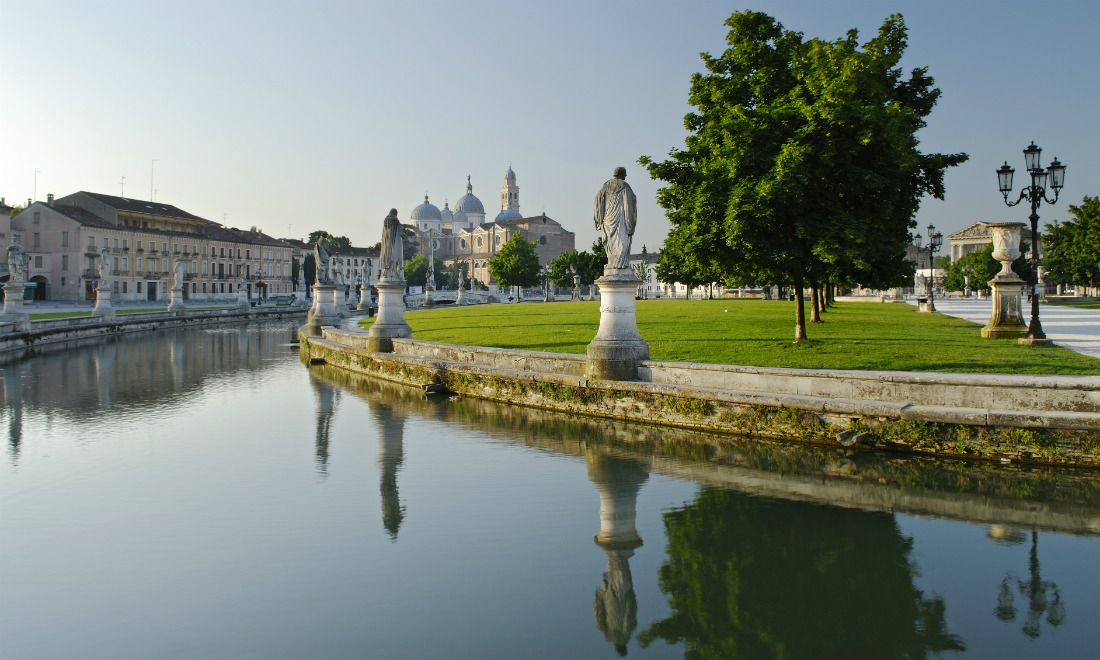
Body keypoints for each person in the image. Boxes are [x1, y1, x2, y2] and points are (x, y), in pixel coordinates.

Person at [593, 167, 638, 270]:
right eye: (624, 174)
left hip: (608, 219)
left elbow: (597, 201)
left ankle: (612, 263)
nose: (625, 176)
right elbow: (630, 204)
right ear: (622, 174)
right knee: (622, 243)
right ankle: (620, 265)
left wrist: (599, 219)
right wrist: (630, 223)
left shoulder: (606, 186)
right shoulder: (625, 186)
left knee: (611, 243)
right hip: (621, 219)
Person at [380, 209, 404, 281]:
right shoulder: (395, 220)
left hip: (386, 243)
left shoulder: (386, 221)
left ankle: (386, 271)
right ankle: (393, 272)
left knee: (387, 255)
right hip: (393, 242)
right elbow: (400, 232)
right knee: (394, 255)